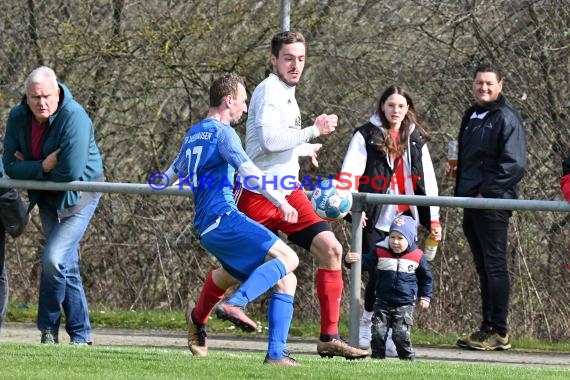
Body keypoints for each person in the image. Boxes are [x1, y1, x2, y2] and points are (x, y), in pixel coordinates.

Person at [233, 30, 368, 359]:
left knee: (332, 249)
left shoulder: (288, 93)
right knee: (240, 272)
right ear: (273, 59)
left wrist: (305, 147)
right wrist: (311, 131)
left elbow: (280, 144)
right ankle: (203, 317)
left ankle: (328, 337)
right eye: (289, 58)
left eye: (301, 59)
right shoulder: (267, 90)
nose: (296, 65)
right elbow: (267, 142)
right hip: (259, 193)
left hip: (289, 191)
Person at [162, 73, 301, 366]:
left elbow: (170, 174)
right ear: (229, 101)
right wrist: (281, 201)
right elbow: (250, 172)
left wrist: (159, 182)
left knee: (285, 279)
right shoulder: (223, 133)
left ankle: (274, 353)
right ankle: (236, 303)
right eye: (243, 101)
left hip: (206, 227)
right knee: (289, 257)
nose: (246, 108)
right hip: (224, 218)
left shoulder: (194, 133)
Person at [2, 66, 104, 345]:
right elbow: (8, 166)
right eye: (35, 97)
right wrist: (44, 166)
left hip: (79, 196)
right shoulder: (17, 117)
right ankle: (81, 336)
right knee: (65, 265)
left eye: (46, 96)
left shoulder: (75, 117)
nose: (41, 102)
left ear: (57, 93)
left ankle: (47, 329)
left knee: (54, 259)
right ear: (26, 96)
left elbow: (70, 172)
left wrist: (30, 168)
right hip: (46, 197)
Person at [340, 85, 441, 352]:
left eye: (401, 105)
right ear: (382, 106)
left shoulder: (415, 138)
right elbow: (350, 171)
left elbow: (427, 179)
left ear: (408, 108)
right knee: (378, 271)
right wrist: (352, 207)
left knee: (403, 276)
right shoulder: (366, 135)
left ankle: (397, 333)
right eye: (390, 105)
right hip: (375, 215)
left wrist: (433, 218)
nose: (395, 110)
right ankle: (369, 321)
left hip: (405, 215)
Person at [451, 63, 526, 351]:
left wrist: (487, 193)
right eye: (479, 83)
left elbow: (514, 164)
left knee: (495, 266)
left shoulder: (507, 117)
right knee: (483, 267)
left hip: (492, 204)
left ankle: (500, 331)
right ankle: (487, 327)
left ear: (500, 86)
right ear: (473, 84)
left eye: (489, 83)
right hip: (469, 200)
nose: (483, 88)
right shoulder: (471, 114)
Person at [344, 215, 432, 360]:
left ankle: (407, 359)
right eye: (392, 237)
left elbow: (426, 278)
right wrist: (349, 260)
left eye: (400, 238)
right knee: (378, 333)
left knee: (400, 334)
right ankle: (378, 359)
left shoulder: (417, 256)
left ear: (410, 239)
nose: (395, 242)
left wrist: (425, 297)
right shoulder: (380, 251)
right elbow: (364, 262)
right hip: (382, 302)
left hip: (405, 303)